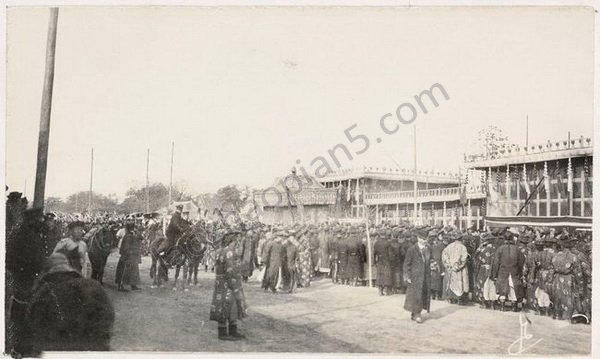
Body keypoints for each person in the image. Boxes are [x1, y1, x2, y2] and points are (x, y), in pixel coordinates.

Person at [27, 253, 115, 354]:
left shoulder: (43, 292)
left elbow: (36, 327)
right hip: (95, 346)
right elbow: (107, 316)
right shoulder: (94, 285)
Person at [6, 207, 46, 356]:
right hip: (26, 279)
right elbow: (10, 259)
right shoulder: (25, 236)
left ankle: (21, 346)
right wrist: (25, 271)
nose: (41, 222)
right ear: (32, 220)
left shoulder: (26, 233)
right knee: (25, 313)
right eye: (39, 220)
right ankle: (21, 348)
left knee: (24, 312)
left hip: (26, 278)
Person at [209, 231, 247, 341]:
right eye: (236, 240)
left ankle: (232, 331)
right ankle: (224, 333)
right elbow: (230, 270)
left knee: (229, 306)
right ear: (231, 241)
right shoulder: (229, 252)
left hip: (223, 283)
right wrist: (235, 286)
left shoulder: (222, 251)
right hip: (227, 283)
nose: (238, 242)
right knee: (227, 306)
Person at [491, 231, 525, 312]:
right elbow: (521, 262)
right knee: (513, 288)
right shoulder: (517, 249)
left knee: (502, 288)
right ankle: (514, 306)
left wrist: (494, 275)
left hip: (503, 271)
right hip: (514, 271)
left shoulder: (500, 249)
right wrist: (519, 272)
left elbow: (496, 263)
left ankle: (502, 306)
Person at [403, 229, 431, 323]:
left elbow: (430, 260)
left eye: (426, 239)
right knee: (416, 296)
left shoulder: (428, 249)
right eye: (423, 239)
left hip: (425, 276)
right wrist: (407, 276)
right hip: (415, 277)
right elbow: (407, 264)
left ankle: (415, 313)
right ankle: (417, 314)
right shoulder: (412, 249)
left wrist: (433, 264)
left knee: (422, 295)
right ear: (418, 238)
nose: (425, 241)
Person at [441, 233, 470, 305]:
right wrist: (457, 267)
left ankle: (451, 298)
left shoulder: (449, 246)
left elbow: (444, 257)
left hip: (451, 268)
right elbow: (464, 259)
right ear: (461, 239)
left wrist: (449, 266)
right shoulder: (463, 247)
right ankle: (459, 299)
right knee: (460, 282)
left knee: (451, 282)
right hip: (459, 269)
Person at [117, 222, 142, 291]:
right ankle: (120, 286)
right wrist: (130, 254)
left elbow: (140, 238)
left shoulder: (130, 235)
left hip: (130, 256)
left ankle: (133, 285)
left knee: (133, 271)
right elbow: (126, 248)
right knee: (123, 271)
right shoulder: (128, 236)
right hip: (127, 257)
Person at [373, 229, 392, 296]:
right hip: (386, 260)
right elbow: (390, 254)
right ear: (385, 234)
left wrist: (374, 262)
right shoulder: (388, 243)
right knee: (386, 274)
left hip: (380, 260)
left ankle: (380, 289)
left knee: (380, 274)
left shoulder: (376, 243)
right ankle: (385, 289)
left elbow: (374, 253)